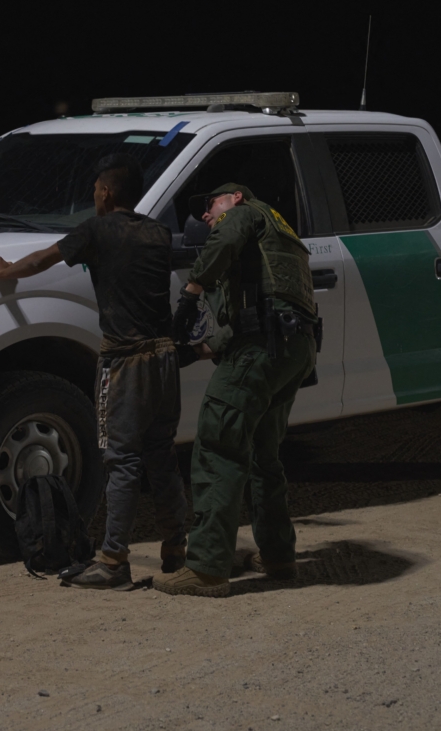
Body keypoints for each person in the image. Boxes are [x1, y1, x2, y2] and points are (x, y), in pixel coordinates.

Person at [0, 152, 188, 590]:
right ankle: (176, 550)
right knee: (162, 456)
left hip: (126, 360)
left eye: (95, 189)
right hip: (165, 359)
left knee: (122, 460)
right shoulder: (158, 231)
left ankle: (113, 561)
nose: (93, 196)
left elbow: (41, 260)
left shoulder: (96, 229)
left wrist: (1, 270)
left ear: (106, 192)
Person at [153, 183, 318, 598]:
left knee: (217, 443)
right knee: (264, 453)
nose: (207, 216)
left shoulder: (245, 215)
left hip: (264, 346)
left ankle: (206, 567)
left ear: (236, 198)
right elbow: (261, 311)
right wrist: (200, 350)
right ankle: (279, 555)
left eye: (211, 205)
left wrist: (189, 295)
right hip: (293, 347)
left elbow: (224, 240)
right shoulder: (280, 233)